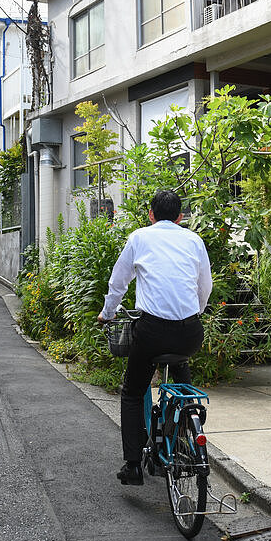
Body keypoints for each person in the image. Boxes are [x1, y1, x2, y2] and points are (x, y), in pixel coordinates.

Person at [97, 189, 212, 486]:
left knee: (133, 392)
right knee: (182, 380)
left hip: (151, 332)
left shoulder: (139, 238)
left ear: (151, 215)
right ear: (180, 216)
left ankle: (133, 465)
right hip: (190, 332)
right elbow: (204, 287)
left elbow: (118, 281)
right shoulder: (194, 240)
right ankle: (185, 431)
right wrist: (194, 311)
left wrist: (108, 312)